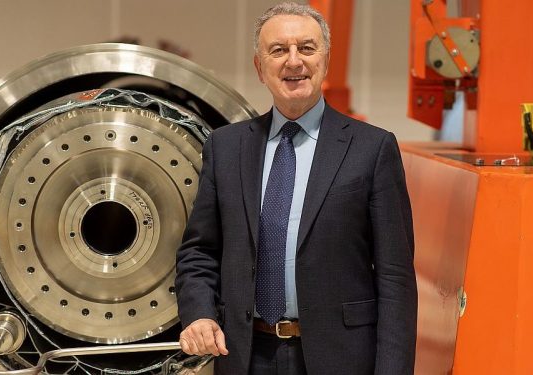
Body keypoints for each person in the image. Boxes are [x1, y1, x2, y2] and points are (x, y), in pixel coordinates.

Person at [174, 2, 417, 374]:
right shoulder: (226, 148)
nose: (294, 61)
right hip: (245, 355)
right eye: (278, 50)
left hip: (340, 357)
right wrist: (199, 313)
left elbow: (394, 278)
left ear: (326, 60)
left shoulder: (372, 149)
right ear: (259, 67)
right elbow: (199, 252)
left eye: (306, 48)